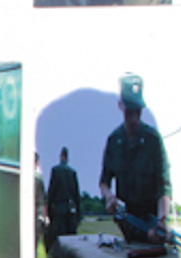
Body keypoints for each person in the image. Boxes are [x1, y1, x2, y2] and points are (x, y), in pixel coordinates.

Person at [99, 73, 171, 243]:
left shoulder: (153, 139)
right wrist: (109, 197)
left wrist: (162, 220)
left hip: (152, 221)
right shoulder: (113, 141)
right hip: (126, 220)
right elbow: (104, 181)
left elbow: (164, 186)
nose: (133, 117)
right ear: (120, 106)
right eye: (129, 111)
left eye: (137, 111)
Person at [45, 146, 82, 240]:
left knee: (57, 236)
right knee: (70, 237)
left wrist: (48, 211)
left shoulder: (55, 171)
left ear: (60, 156)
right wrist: (79, 215)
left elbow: (51, 191)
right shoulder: (73, 172)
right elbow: (77, 194)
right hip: (70, 207)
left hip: (59, 207)